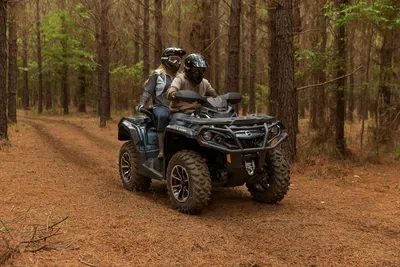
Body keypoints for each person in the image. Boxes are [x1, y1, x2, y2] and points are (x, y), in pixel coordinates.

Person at [136, 47, 186, 159]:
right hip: (160, 106)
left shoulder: (180, 76)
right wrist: (142, 103)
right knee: (163, 116)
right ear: (166, 59)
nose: (177, 62)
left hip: (177, 107)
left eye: (179, 60)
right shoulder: (157, 74)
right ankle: (162, 150)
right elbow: (148, 89)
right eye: (174, 59)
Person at [167, 53, 217, 124]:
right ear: (188, 69)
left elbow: (215, 96)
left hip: (200, 113)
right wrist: (173, 94)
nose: (199, 73)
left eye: (201, 70)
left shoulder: (204, 82)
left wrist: (221, 100)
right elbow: (172, 89)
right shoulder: (180, 79)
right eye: (196, 70)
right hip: (181, 112)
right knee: (180, 124)